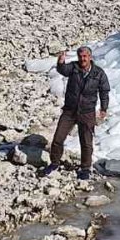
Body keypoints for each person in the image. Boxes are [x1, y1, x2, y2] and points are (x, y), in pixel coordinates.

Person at [43, 45, 110, 180]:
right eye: (80, 56)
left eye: (85, 56)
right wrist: (61, 61)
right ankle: (54, 163)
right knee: (58, 138)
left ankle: (85, 168)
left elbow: (104, 91)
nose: (82, 59)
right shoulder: (73, 67)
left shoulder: (99, 73)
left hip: (87, 112)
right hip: (70, 111)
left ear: (90, 57)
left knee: (86, 142)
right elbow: (62, 69)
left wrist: (104, 108)